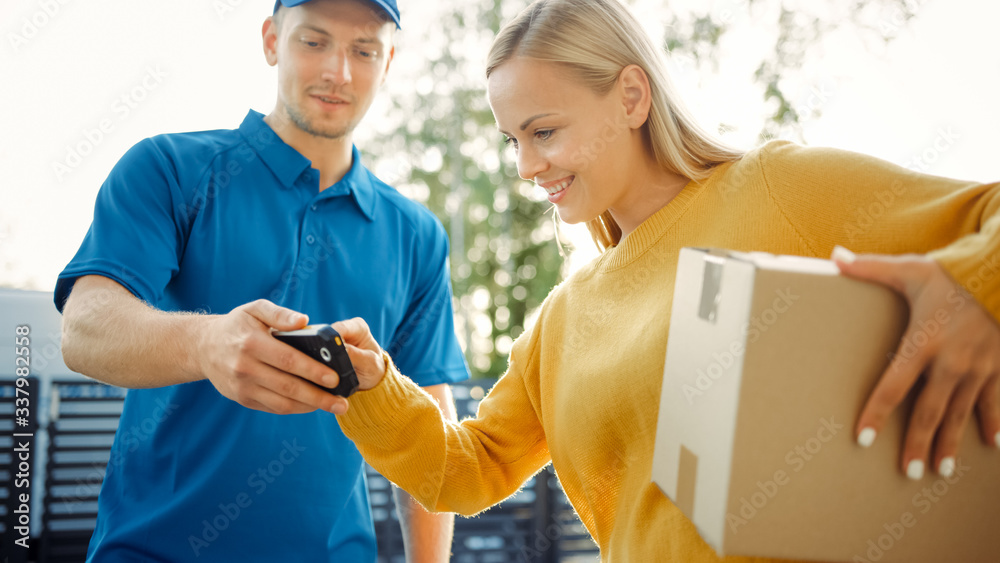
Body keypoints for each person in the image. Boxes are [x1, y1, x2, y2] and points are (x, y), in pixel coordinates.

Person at [323, 0, 1000, 561]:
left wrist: (972, 287)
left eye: (545, 131)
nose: (527, 166)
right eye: (512, 141)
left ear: (631, 96)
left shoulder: (774, 189)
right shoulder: (562, 322)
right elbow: (466, 469)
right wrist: (370, 383)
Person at [54, 0, 470, 561]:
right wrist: (205, 344)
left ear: (389, 60)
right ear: (272, 40)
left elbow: (429, 425)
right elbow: (83, 329)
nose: (338, 73)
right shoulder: (167, 169)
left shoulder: (416, 235)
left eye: (363, 50)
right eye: (314, 41)